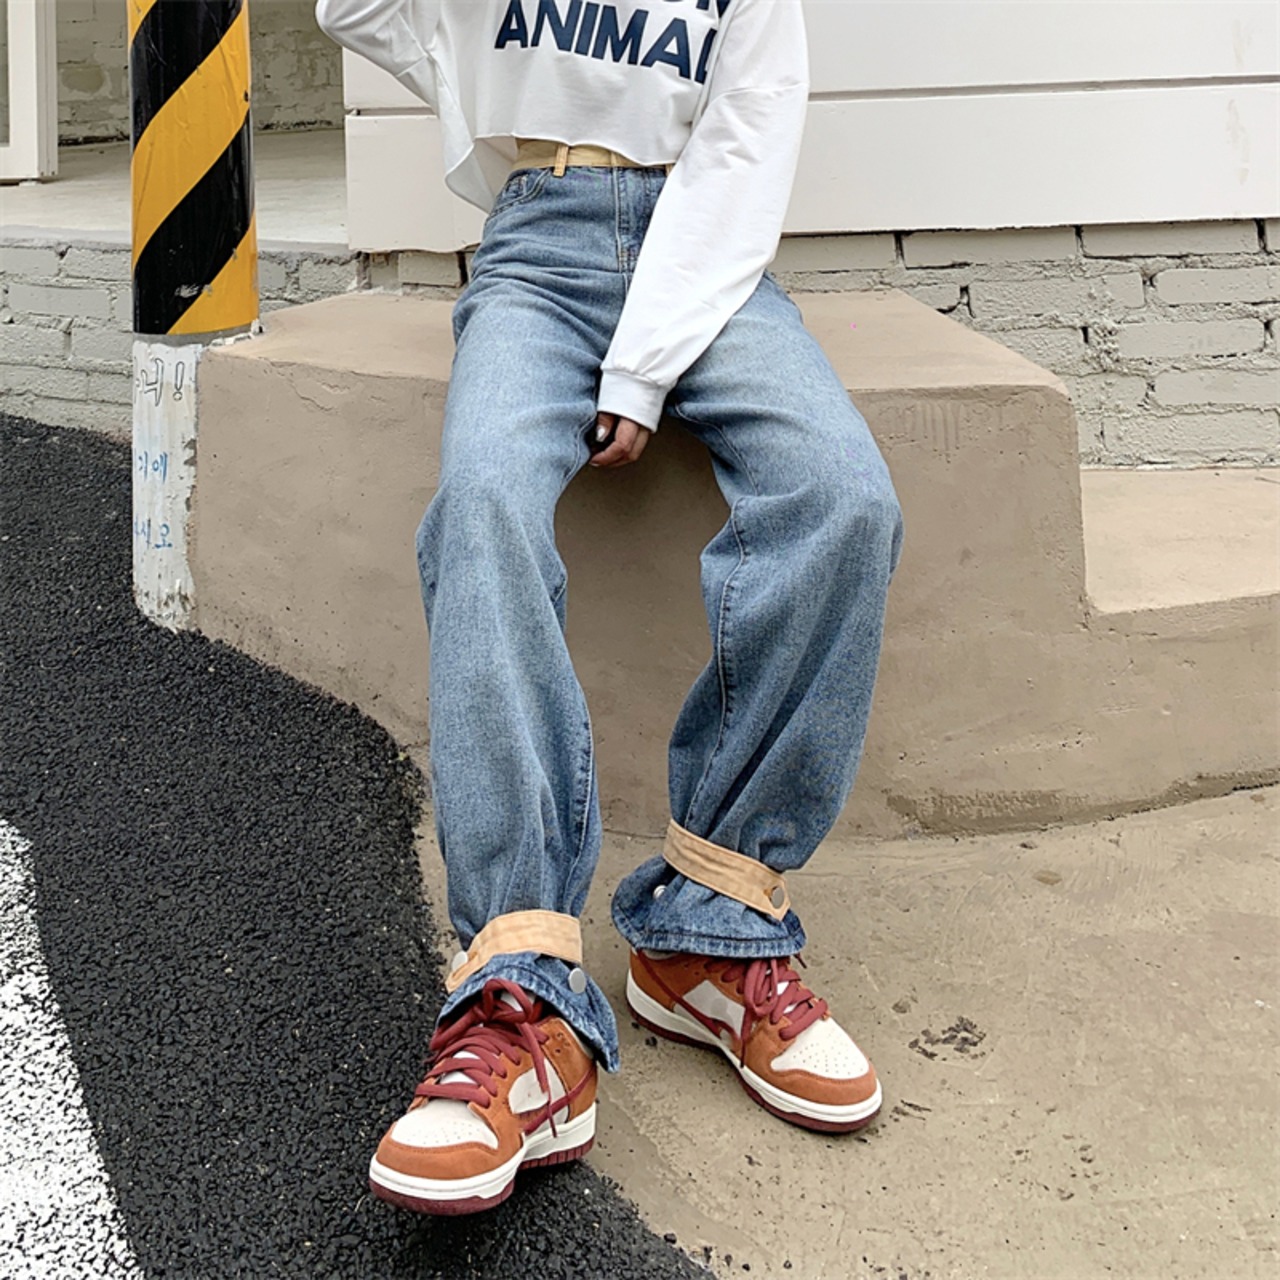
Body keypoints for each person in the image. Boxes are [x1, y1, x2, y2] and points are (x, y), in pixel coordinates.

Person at [315, 0, 904, 1216]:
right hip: (535, 245)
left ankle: (711, 927)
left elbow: (744, 142)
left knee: (842, 497)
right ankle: (519, 995)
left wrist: (639, 367)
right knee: (481, 505)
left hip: (707, 249)